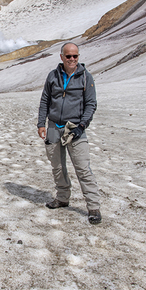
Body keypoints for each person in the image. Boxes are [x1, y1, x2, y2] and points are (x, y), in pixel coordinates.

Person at [37, 42, 101, 224]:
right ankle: (62, 198)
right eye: (68, 56)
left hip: (75, 129)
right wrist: (41, 123)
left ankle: (93, 207)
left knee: (82, 168)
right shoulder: (53, 76)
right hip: (53, 127)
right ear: (62, 57)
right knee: (57, 167)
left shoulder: (86, 78)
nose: (72, 59)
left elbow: (91, 104)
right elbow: (45, 101)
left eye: (75, 56)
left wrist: (82, 126)